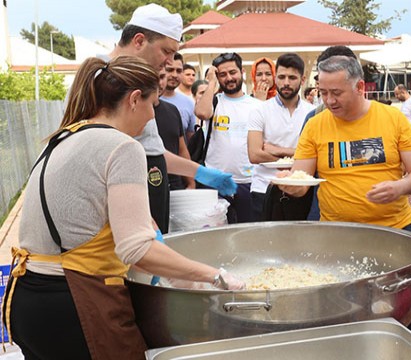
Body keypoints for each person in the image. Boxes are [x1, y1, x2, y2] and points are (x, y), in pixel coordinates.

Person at [2, 56, 244, 360]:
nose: (151, 117)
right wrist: (214, 275)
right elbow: (136, 249)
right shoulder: (123, 146)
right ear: (133, 100)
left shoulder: (62, 137)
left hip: (25, 300)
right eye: (152, 105)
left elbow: (88, 219)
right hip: (75, 302)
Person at [276, 55, 411, 347]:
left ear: (360, 86)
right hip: (338, 236)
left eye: (336, 93)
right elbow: (302, 181)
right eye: (323, 92)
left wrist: (400, 186)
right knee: (342, 312)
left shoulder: (391, 119)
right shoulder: (316, 125)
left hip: (394, 230)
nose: (328, 101)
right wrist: (290, 184)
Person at [105, 4, 236, 233]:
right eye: (166, 52)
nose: (168, 62)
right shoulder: (99, 80)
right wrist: (142, 221)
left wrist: (199, 171)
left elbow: (153, 150)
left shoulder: (139, 83)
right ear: (139, 41)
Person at [247, 53, 315, 221]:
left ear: (303, 79)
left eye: (292, 77)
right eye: (281, 77)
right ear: (275, 78)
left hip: (302, 188)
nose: (286, 83)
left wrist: (277, 150)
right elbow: (254, 155)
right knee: (265, 243)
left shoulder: (312, 113)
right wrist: (300, 157)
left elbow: (317, 154)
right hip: (264, 187)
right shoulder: (260, 110)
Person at [195, 52, 260, 223]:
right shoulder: (213, 102)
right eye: (222, 74)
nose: (229, 78)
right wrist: (211, 83)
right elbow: (202, 113)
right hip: (215, 182)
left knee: (248, 234)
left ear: (242, 72)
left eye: (233, 72)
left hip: (248, 182)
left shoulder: (258, 106)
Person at [302, 45, 359, 221]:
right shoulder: (314, 119)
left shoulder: (387, 118)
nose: (330, 100)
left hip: (384, 222)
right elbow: (304, 171)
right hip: (324, 215)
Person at [155, 67, 194, 191]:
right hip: (148, 185)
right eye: (155, 78)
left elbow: (182, 149)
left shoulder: (172, 110)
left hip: (175, 185)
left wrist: (191, 183)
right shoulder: (133, 112)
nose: (159, 83)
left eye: (162, 77)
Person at [161, 53, 197, 141]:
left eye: (179, 71)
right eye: (170, 70)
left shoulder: (188, 102)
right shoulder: (149, 100)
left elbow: (190, 138)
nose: (174, 75)